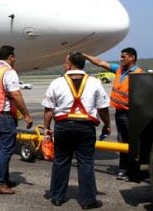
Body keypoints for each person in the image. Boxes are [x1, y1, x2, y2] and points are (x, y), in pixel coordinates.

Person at [42, 52, 111, 209]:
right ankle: (88, 201)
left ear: (69, 65)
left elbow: (48, 109)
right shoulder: (94, 83)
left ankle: (57, 197)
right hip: (85, 127)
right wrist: (107, 124)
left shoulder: (57, 83)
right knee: (86, 163)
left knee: (61, 161)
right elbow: (103, 108)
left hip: (63, 126)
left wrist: (46, 128)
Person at [83, 48, 143, 180]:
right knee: (122, 141)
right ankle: (123, 168)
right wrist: (85, 55)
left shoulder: (139, 74)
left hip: (131, 114)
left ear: (132, 57)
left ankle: (134, 171)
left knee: (133, 143)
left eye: (124, 57)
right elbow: (100, 62)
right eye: (121, 57)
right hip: (119, 113)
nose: (121, 59)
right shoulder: (119, 70)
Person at [0, 45, 33, 195]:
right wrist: (26, 115)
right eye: (14, 57)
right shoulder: (9, 72)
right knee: (6, 150)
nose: (15, 60)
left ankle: (3, 179)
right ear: (11, 57)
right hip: (4, 116)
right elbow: (16, 95)